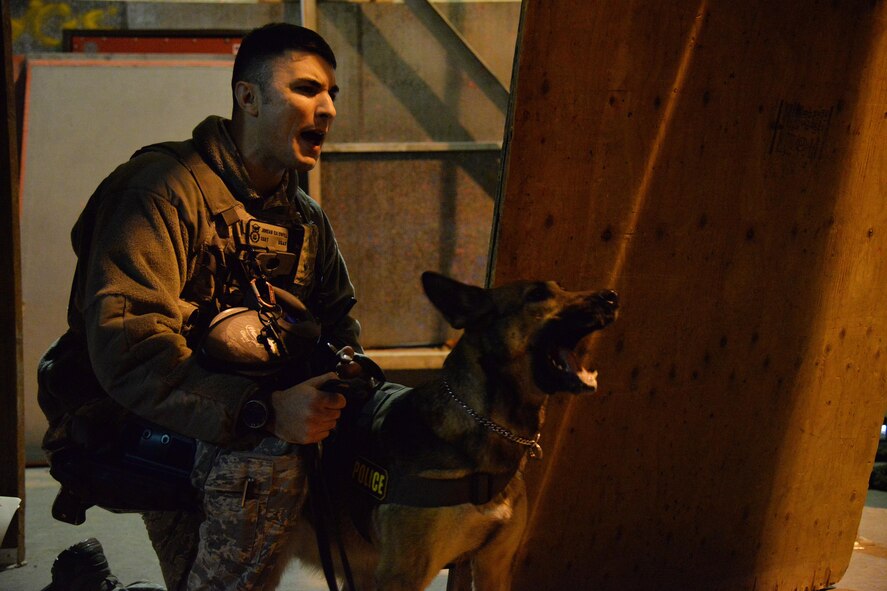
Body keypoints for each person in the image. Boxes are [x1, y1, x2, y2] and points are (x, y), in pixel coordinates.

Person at [40, 22, 365, 590]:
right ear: (248, 96)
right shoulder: (155, 192)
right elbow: (130, 352)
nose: (327, 108)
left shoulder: (304, 220)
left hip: (219, 422)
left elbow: (338, 320)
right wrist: (263, 410)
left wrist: (344, 373)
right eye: (307, 89)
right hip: (125, 418)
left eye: (332, 94)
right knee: (268, 463)